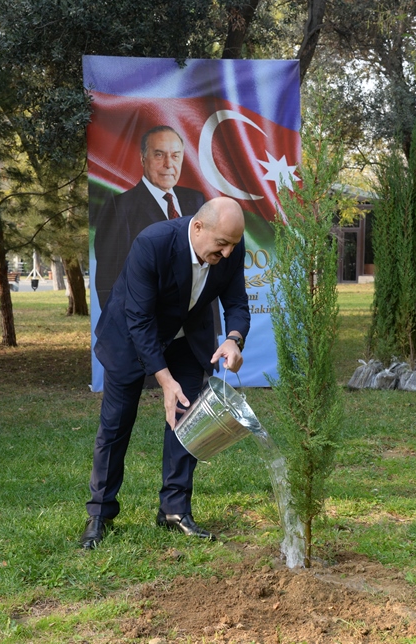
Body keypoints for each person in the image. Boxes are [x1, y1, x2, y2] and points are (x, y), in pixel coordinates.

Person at [80, 197, 250, 550]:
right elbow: (140, 320)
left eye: (233, 245)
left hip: (187, 340)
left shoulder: (231, 247)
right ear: (198, 227)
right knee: (116, 424)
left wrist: (233, 340)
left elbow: (236, 302)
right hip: (131, 337)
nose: (228, 253)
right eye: (222, 244)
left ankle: (174, 510)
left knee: (186, 420)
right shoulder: (153, 243)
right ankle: (100, 514)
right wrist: (164, 378)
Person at [93, 126, 206, 310]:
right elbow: (109, 283)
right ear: (143, 158)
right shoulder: (118, 208)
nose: (169, 164)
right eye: (159, 155)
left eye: (175, 156)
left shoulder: (196, 200)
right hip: (147, 324)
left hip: (196, 323)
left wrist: (212, 325)